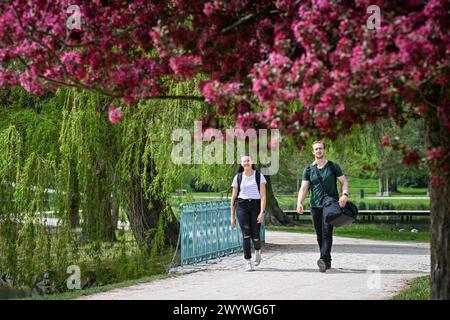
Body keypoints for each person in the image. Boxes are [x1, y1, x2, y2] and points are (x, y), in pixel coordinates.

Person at [296, 141, 349, 272]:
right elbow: (304, 188)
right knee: (319, 235)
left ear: (324, 150)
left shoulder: (332, 166)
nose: (318, 151)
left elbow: (343, 182)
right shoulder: (308, 169)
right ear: (313, 152)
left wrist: (345, 195)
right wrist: (299, 202)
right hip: (315, 205)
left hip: (330, 204)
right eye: (316, 149)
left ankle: (323, 260)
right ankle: (327, 261)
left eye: (320, 148)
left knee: (327, 232)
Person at [230, 155, 267, 271]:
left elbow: (263, 195)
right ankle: (248, 261)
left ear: (252, 162)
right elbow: (233, 197)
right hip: (242, 206)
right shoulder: (238, 177)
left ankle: (257, 251)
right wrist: (232, 216)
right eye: (244, 161)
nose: (246, 163)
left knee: (255, 235)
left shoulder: (258, 176)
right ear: (241, 164)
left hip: (255, 206)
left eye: (248, 161)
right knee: (246, 233)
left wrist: (262, 212)